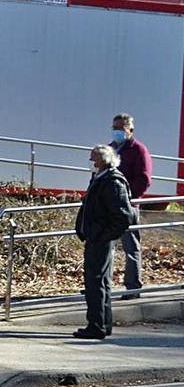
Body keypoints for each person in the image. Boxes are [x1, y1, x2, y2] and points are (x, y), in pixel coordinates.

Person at [73, 144, 138, 340]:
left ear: (103, 160)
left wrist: (102, 235)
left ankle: (96, 325)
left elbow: (123, 216)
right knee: (100, 282)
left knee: (96, 282)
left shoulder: (112, 182)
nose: (91, 162)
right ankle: (103, 323)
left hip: (100, 239)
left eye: (93, 158)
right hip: (96, 237)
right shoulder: (101, 179)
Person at [110, 113, 151, 299]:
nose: (117, 131)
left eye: (121, 128)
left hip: (128, 205)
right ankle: (103, 285)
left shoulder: (138, 150)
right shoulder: (110, 149)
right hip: (108, 206)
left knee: (131, 247)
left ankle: (133, 287)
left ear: (130, 130)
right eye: (114, 127)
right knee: (105, 246)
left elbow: (144, 179)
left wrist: (129, 198)